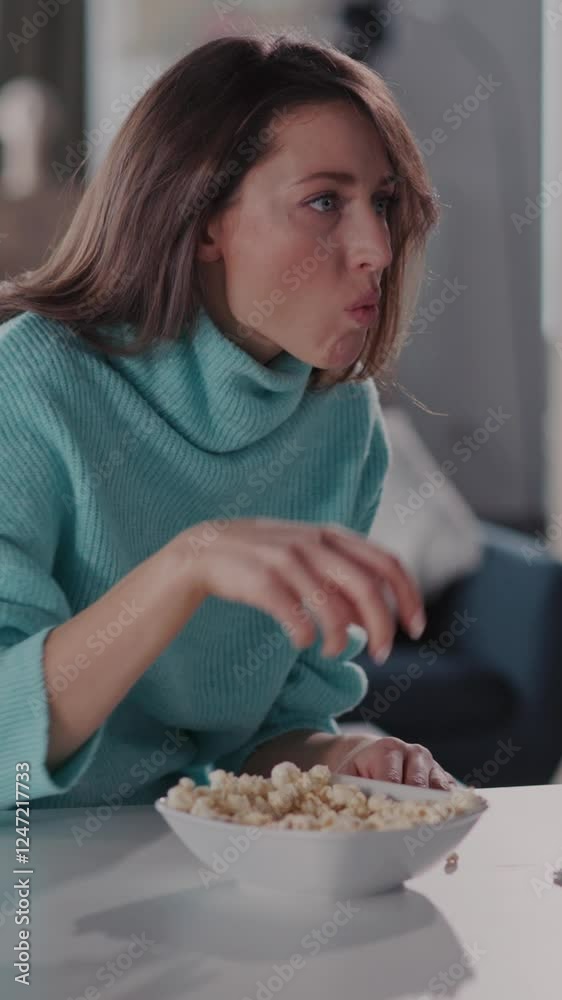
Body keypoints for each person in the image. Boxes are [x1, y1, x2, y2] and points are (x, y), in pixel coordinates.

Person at [0, 30, 453, 812]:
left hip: (177, 867)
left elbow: (273, 733)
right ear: (204, 217)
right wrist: (189, 565)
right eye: (324, 202)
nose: (377, 246)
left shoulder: (343, 429)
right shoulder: (31, 380)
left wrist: (345, 755)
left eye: (382, 203)